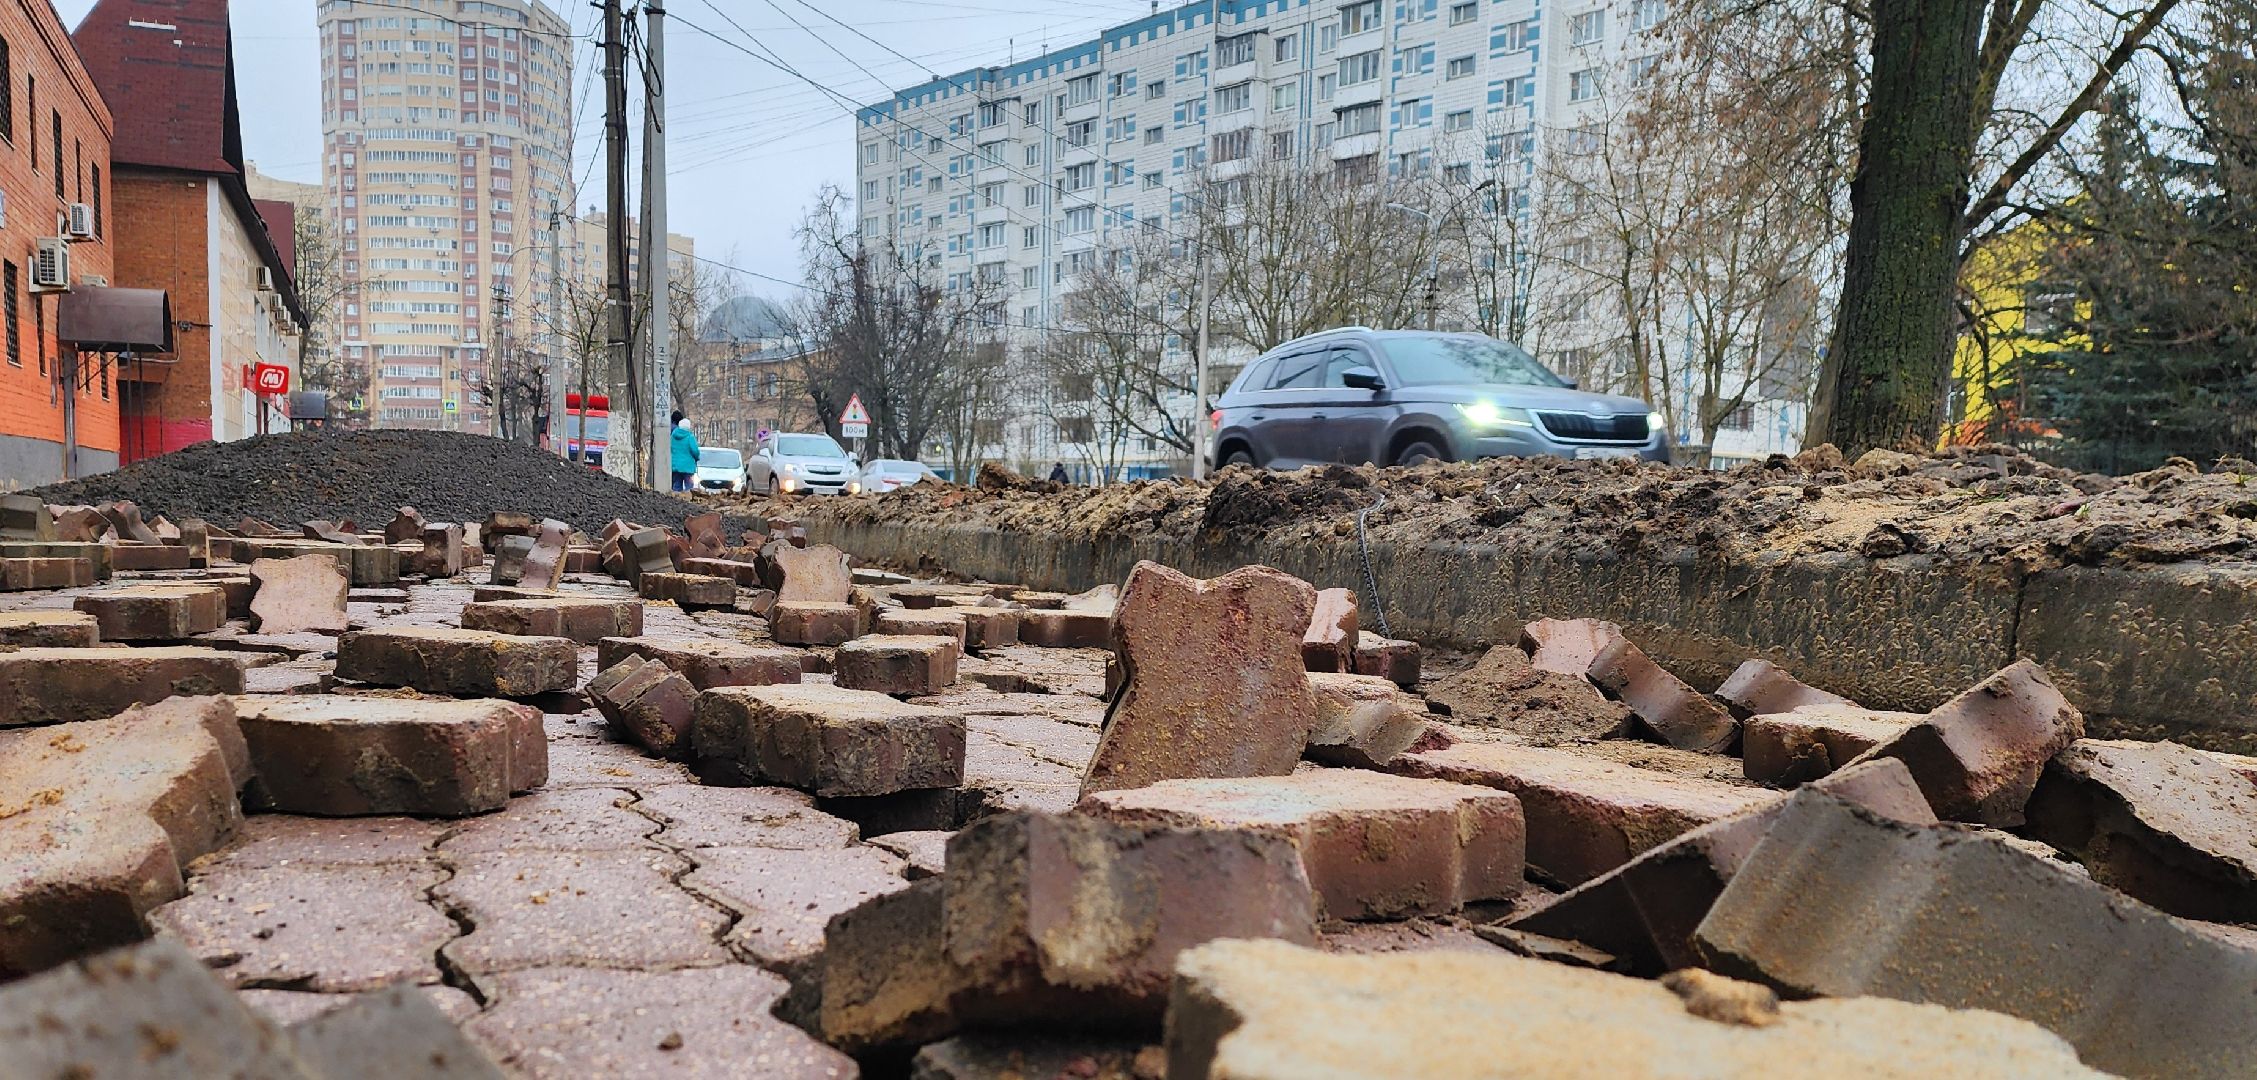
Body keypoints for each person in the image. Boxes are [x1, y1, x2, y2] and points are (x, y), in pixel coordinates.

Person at [670, 410, 701, 492]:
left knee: (676, 486)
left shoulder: (673, 436)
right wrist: (697, 458)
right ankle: (688, 502)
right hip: (688, 467)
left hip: (675, 466)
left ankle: (675, 502)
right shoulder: (690, 437)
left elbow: (670, 449)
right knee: (689, 487)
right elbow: (695, 451)